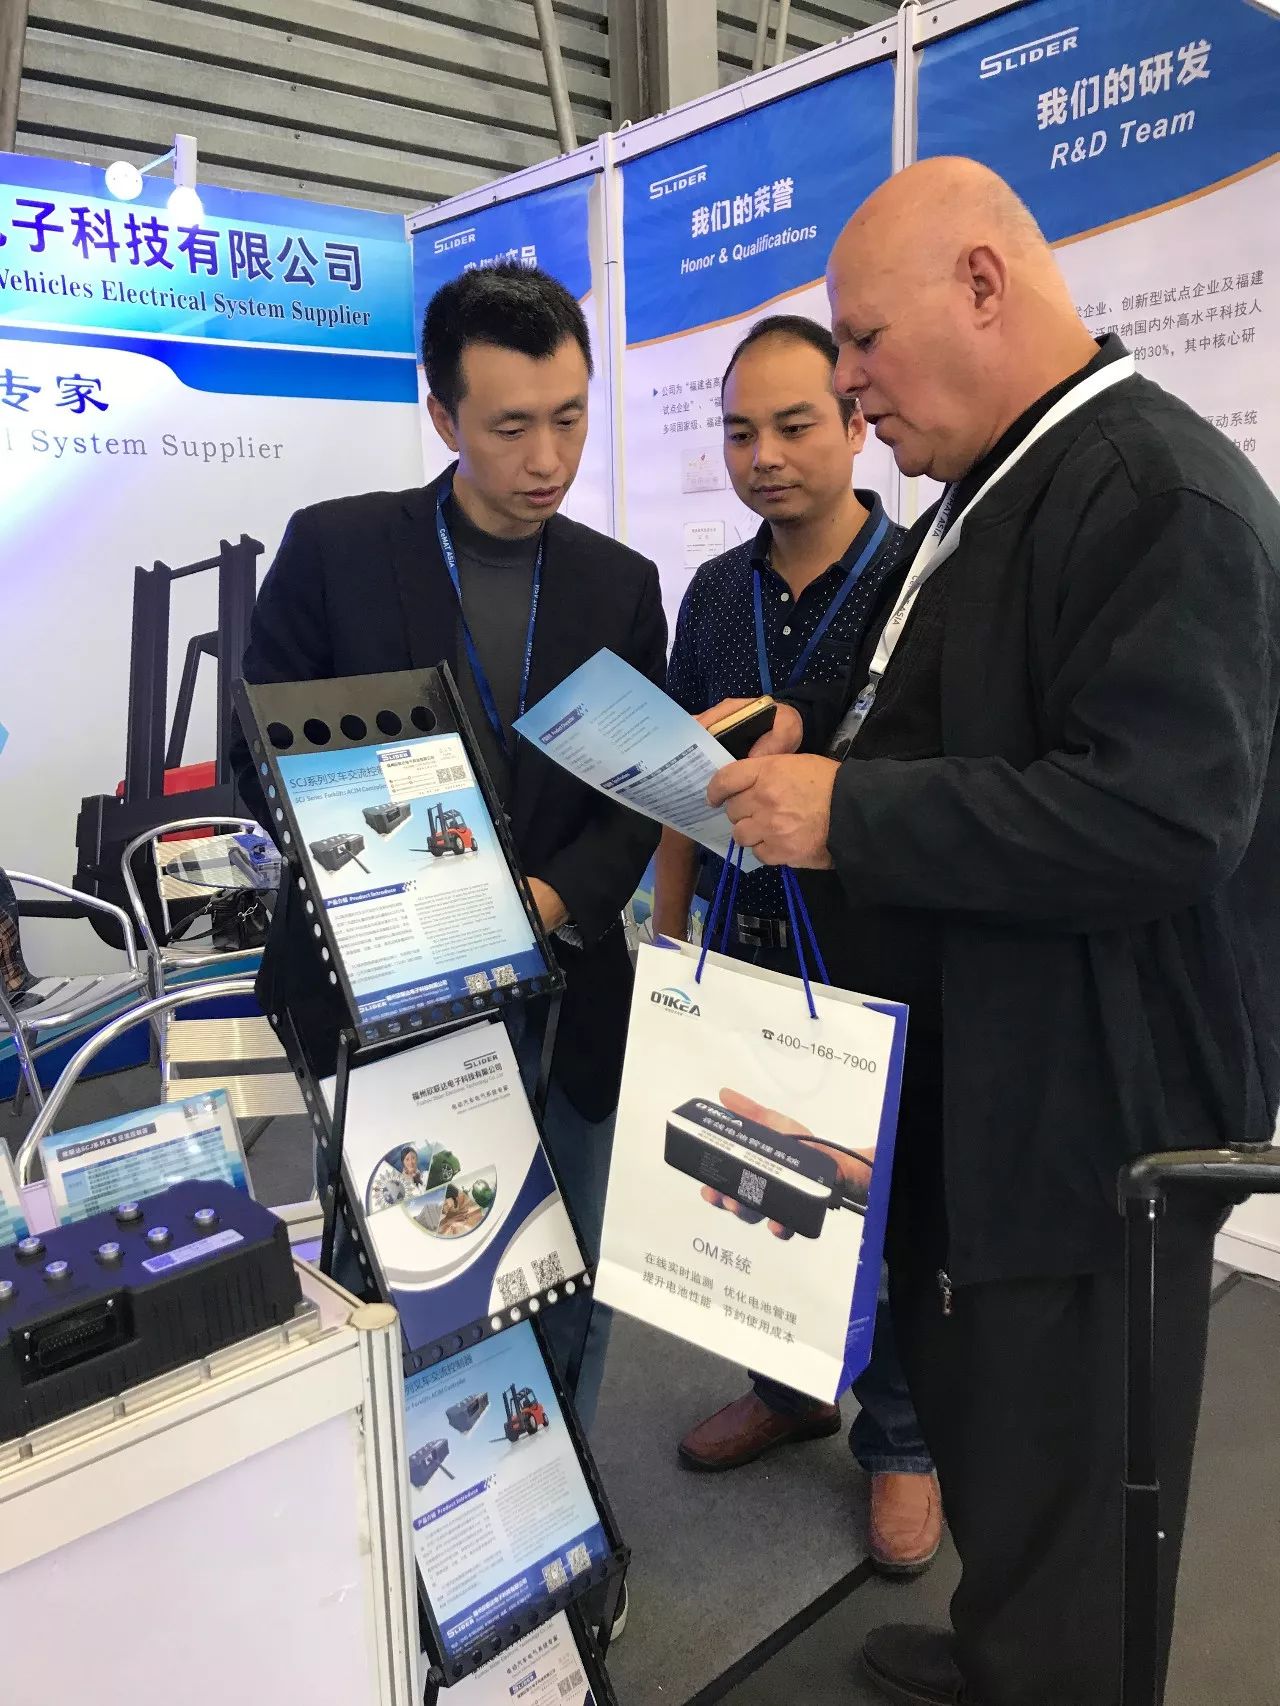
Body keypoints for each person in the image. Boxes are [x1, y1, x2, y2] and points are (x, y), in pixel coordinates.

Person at [702, 157, 1280, 1706]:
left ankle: (1053, 1673)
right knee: (1006, 1447)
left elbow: (1164, 816)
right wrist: (810, 741)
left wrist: (851, 812)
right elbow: (985, 735)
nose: (850, 383)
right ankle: (1006, 1650)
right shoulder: (1001, 486)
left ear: (981, 284)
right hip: (999, 1081)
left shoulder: (1153, 496)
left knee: (1076, 1471)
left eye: (864, 340)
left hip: (1097, 1122)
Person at [231, 263, 667, 1455]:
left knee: (563, 1266)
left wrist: (545, 897)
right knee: (401, 1271)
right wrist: (425, 896)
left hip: (563, 989)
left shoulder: (619, 586)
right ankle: (397, 1516)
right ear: (442, 415)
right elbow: (258, 757)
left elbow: (633, 797)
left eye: (569, 417)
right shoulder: (335, 550)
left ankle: (556, 1484)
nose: (547, 459)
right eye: (511, 426)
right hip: (386, 994)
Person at [654, 314, 941, 1577]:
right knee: (756, 1174)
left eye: (791, 424)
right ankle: (785, 1385)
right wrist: (667, 943)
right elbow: (678, 778)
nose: (762, 455)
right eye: (738, 431)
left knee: (891, 1197)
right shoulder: (715, 592)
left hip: (879, 945)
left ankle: (903, 1441)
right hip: (742, 940)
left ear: (854, 422)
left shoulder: (914, 576)